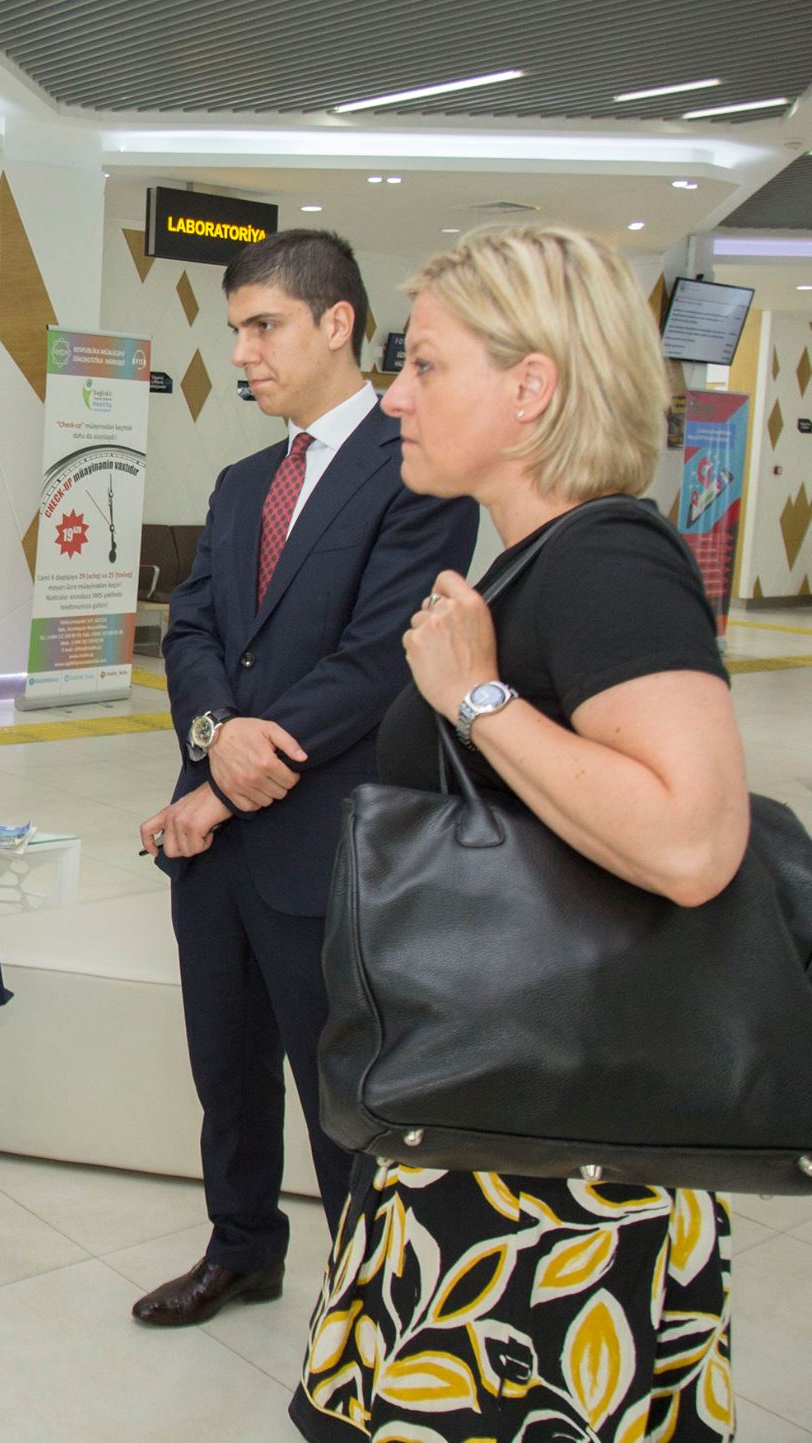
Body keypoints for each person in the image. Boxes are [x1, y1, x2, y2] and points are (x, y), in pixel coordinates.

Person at [293, 222, 743, 1442]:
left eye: (425, 365)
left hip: (556, 1184)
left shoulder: (608, 562)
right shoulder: (534, 560)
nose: (394, 394)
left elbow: (692, 840)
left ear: (529, 387)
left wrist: (475, 699)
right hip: (493, 1123)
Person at [135, 230, 479, 1329]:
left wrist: (232, 772)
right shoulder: (244, 481)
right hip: (216, 843)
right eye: (236, 329)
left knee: (341, 1094)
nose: (241, 351)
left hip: (325, 842)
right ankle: (241, 1249)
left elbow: (378, 660)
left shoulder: (415, 471)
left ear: (337, 323)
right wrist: (214, 736)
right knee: (225, 1073)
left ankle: (370, 1304)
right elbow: (192, 629)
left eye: (262, 326)